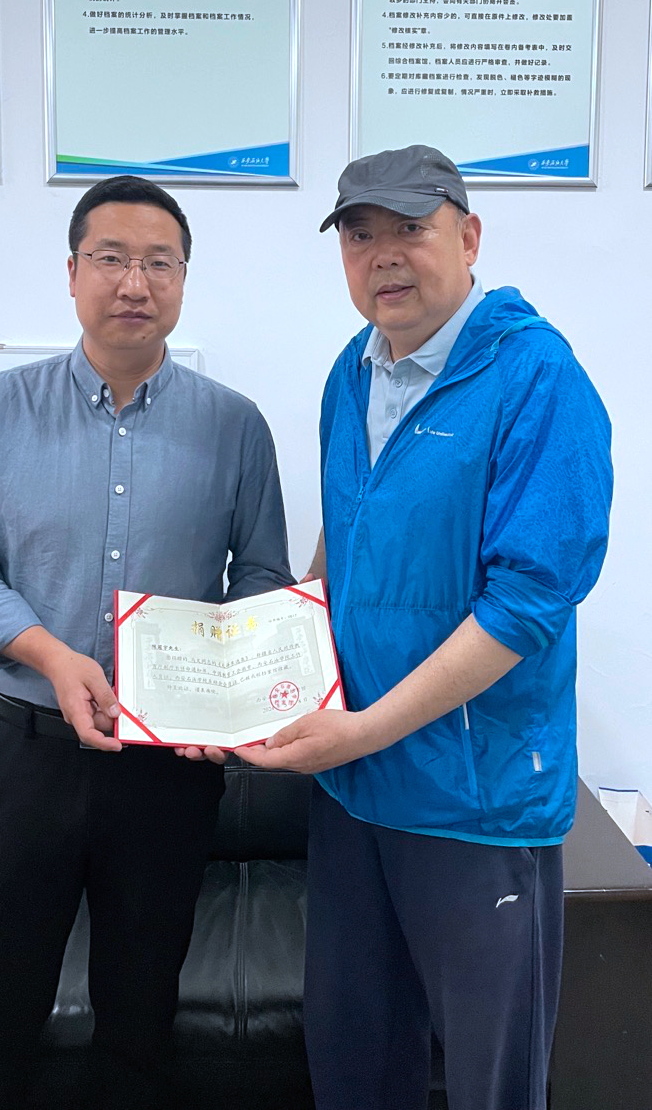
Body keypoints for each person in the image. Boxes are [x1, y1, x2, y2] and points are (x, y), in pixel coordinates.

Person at [234, 146, 613, 1110]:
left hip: (472, 799)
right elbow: (346, 533)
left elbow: (527, 604)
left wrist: (361, 729)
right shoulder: (352, 370)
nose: (383, 256)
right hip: (354, 790)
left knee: (490, 1079)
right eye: (360, 236)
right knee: (355, 1060)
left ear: (469, 236)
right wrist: (263, 663)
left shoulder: (537, 378)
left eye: (410, 229)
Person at [0, 175, 293, 1110]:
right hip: (23, 756)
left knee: (140, 1025)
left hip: (163, 770)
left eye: (159, 262)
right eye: (112, 258)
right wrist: (51, 655)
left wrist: (231, 693)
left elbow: (259, 578)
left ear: (183, 280)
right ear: (72, 273)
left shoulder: (235, 426)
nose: (135, 282)